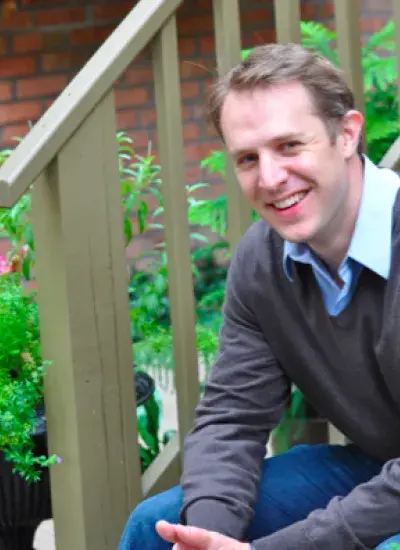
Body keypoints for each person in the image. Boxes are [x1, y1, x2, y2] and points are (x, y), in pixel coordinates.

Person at [119, 43, 400, 550]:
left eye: (290, 146)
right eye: (248, 158)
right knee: (156, 527)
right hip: (379, 465)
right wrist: (207, 535)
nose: (270, 179)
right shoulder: (264, 260)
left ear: (347, 134)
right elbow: (232, 418)